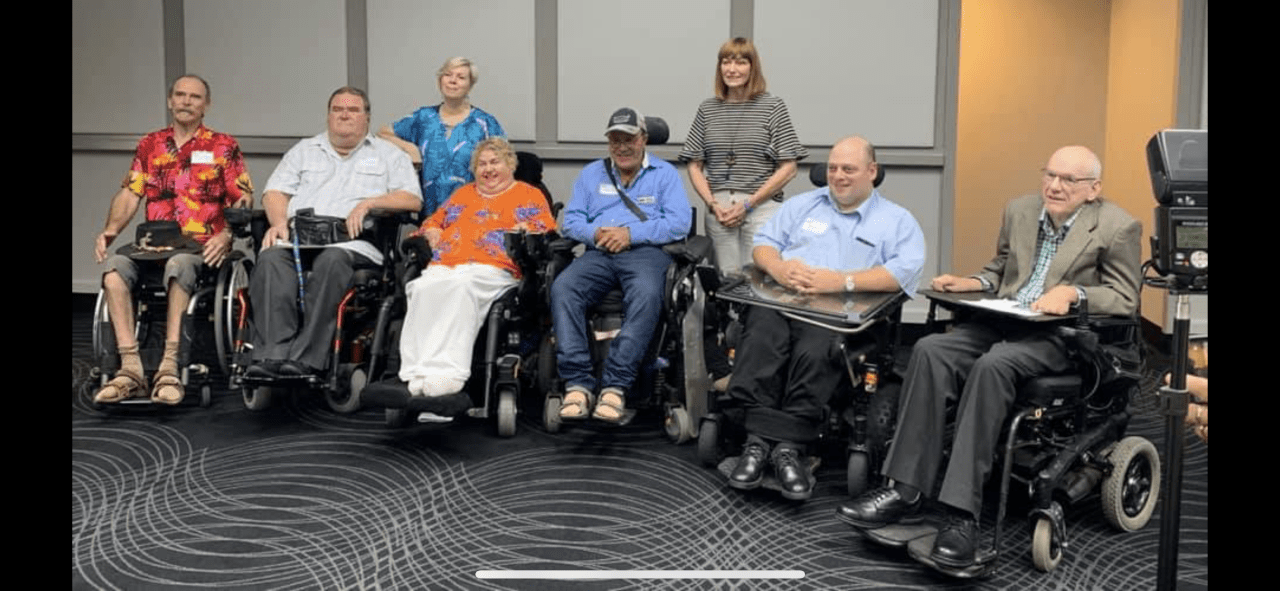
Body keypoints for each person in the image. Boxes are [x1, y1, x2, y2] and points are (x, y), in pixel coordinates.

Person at [837, 145, 1142, 569]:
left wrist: (1076, 293)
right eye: (1049, 175)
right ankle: (904, 489)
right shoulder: (1020, 210)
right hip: (1003, 318)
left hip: (1056, 336)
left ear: (1093, 189)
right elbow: (1002, 269)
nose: (1054, 186)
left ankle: (962, 516)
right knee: (930, 350)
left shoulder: (1117, 226)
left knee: (993, 366)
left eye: (1068, 180)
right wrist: (972, 281)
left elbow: (1126, 298)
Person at [723, 136, 925, 501]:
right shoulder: (802, 206)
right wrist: (779, 268)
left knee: (816, 348)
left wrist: (841, 281)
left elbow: (904, 272)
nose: (838, 176)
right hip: (784, 302)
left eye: (848, 169)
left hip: (841, 315)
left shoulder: (897, 221)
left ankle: (784, 446)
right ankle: (761, 444)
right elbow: (764, 243)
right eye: (833, 168)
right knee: (760, 332)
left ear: (872, 172)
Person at [92, 74, 253, 405]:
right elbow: (130, 193)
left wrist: (226, 234)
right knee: (114, 269)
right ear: (170, 101)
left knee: (179, 266)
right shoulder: (150, 145)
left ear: (205, 105)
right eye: (180, 95)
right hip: (152, 247)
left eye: (194, 97)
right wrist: (110, 230)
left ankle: (169, 366)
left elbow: (243, 199)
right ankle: (130, 368)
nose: (186, 101)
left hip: (201, 249)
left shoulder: (223, 146)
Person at [244, 86, 422, 379]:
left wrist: (371, 202)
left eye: (353, 110)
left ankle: (307, 359)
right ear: (328, 115)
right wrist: (278, 222)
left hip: (352, 243)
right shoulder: (304, 150)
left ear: (366, 117)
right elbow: (274, 192)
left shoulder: (388, 155)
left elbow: (411, 199)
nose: (344, 115)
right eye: (338, 109)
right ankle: (270, 356)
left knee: (331, 261)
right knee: (271, 260)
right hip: (299, 238)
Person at [552, 107, 692, 424]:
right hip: (599, 252)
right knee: (563, 287)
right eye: (615, 140)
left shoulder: (664, 174)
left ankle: (615, 386)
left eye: (628, 138)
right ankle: (577, 384)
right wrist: (595, 232)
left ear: (643, 139)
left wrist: (630, 234)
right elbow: (571, 222)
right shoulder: (591, 174)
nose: (622, 147)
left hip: (646, 252)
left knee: (646, 294)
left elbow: (679, 224)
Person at [398, 137, 556, 397]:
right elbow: (434, 220)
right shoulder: (463, 193)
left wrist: (525, 229)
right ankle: (416, 373)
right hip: (447, 263)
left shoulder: (527, 194)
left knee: (461, 288)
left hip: (492, 267)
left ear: (510, 164)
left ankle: (448, 375)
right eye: (482, 164)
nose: (488, 169)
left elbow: (546, 228)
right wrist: (433, 230)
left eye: (495, 162)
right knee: (421, 287)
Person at [679, 37, 807, 276]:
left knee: (758, 279)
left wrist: (749, 203)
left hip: (761, 207)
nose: (732, 69)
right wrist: (713, 204)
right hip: (719, 211)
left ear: (753, 67)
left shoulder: (772, 106)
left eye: (740, 63)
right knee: (726, 280)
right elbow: (694, 165)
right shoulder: (707, 109)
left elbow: (789, 167)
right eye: (726, 62)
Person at [378, 57, 505, 218]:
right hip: (429, 217)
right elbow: (382, 133)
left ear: (470, 85)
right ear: (440, 80)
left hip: (473, 218)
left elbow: (504, 169)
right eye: (448, 75)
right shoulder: (423, 118)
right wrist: (409, 148)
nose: (453, 81)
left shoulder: (485, 123)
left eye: (461, 77)